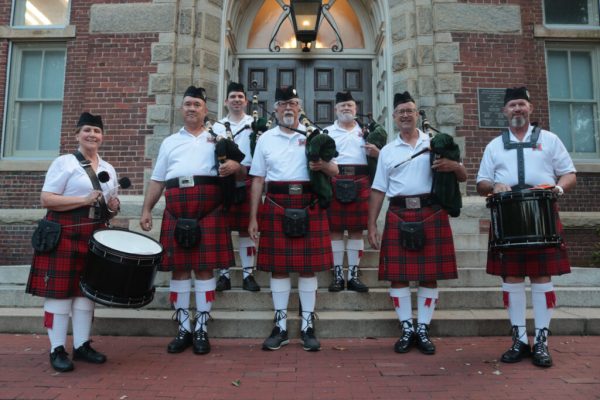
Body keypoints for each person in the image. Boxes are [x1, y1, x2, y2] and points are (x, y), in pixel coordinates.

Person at [476, 86, 576, 368]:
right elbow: (481, 182)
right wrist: (494, 185)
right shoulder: (494, 145)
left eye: (522, 104)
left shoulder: (550, 139)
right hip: (507, 216)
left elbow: (569, 173)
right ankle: (519, 339)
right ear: (505, 111)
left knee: (542, 276)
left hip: (541, 211)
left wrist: (557, 188)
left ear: (530, 109)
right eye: (512, 106)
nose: (517, 109)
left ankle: (542, 340)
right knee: (512, 278)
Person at [139, 86, 243, 355]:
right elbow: (158, 179)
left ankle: (202, 328)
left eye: (197, 104)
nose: (191, 108)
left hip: (210, 211)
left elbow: (242, 171)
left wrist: (235, 167)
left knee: (206, 269)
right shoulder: (170, 142)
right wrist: (146, 210)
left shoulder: (219, 137)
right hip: (176, 210)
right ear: (181, 108)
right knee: (180, 270)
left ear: (205, 110)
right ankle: (184, 326)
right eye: (187, 104)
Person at [367, 91, 466, 355]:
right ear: (394, 118)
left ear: (417, 114)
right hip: (398, 213)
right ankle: (406, 327)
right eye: (401, 112)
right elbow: (378, 189)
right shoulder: (387, 151)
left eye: (410, 111)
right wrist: (372, 224)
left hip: (430, 213)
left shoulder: (435, 143)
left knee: (428, 276)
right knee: (398, 277)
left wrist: (453, 165)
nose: (406, 116)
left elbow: (463, 174)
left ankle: (422, 327)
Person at [26, 112, 121, 372]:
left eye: (97, 131)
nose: (92, 135)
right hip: (64, 230)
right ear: (77, 134)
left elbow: (108, 208)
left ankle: (81, 346)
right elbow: (46, 199)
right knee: (60, 295)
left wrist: (113, 207)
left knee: (85, 294)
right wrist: (82, 200)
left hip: (94, 232)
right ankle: (57, 348)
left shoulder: (108, 169)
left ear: (103, 136)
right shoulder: (64, 163)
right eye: (87, 130)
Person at [248, 86, 338, 352]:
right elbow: (257, 179)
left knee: (308, 268)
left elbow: (335, 170)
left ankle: (308, 326)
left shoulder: (315, 136)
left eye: (293, 103)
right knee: (279, 269)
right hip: (276, 204)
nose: (288, 108)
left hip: (309, 204)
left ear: (300, 107)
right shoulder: (265, 139)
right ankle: (281, 327)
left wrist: (322, 165)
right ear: (275, 108)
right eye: (283, 104)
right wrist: (253, 216)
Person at [325, 91, 379, 292]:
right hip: (336, 179)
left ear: (356, 109)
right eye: (342, 106)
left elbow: (385, 157)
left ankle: (354, 274)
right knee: (336, 230)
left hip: (361, 180)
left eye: (350, 105)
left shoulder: (367, 131)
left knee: (357, 230)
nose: (346, 108)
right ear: (335, 110)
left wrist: (377, 153)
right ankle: (338, 274)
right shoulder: (327, 133)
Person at [212, 82, 260, 292]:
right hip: (224, 180)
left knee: (245, 230)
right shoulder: (216, 126)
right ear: (226, 101)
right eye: (233, 97)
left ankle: (248, 274)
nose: (237, 100)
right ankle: (224, 275)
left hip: (249, 177)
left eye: (240, 97)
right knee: (222, 228)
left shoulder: (256, 123)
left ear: (246, 101)